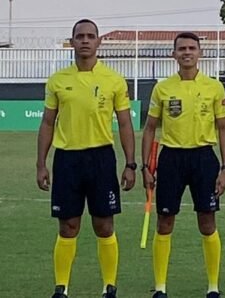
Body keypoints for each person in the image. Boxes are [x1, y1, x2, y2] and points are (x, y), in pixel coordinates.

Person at [36, 19, 136, 298]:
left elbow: (125, 124)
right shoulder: (58, 80)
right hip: (67, 159)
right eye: (80, 36)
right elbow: (47, 123)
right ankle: (61, 288)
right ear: (72, 41)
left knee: (104, 224)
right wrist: (41, 163)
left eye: (90, 36)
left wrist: (130, 164)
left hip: (101, 158)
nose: (85, 40)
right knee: (68, 225)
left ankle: (109, 287)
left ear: (98, 42)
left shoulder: (113, 80)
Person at [141, 32, 225, 298]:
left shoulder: (214, 87)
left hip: (204, 158)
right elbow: (149, 129)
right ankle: (160, 287)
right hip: (171, 159)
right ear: (174, 54)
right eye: (182, 48)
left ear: (200, 53)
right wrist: (147, 167)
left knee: (207, 220)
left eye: (192, 48)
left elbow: (224, 128)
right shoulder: (163, 88)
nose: (187, 52)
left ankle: (213, 287)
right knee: (165, 221)